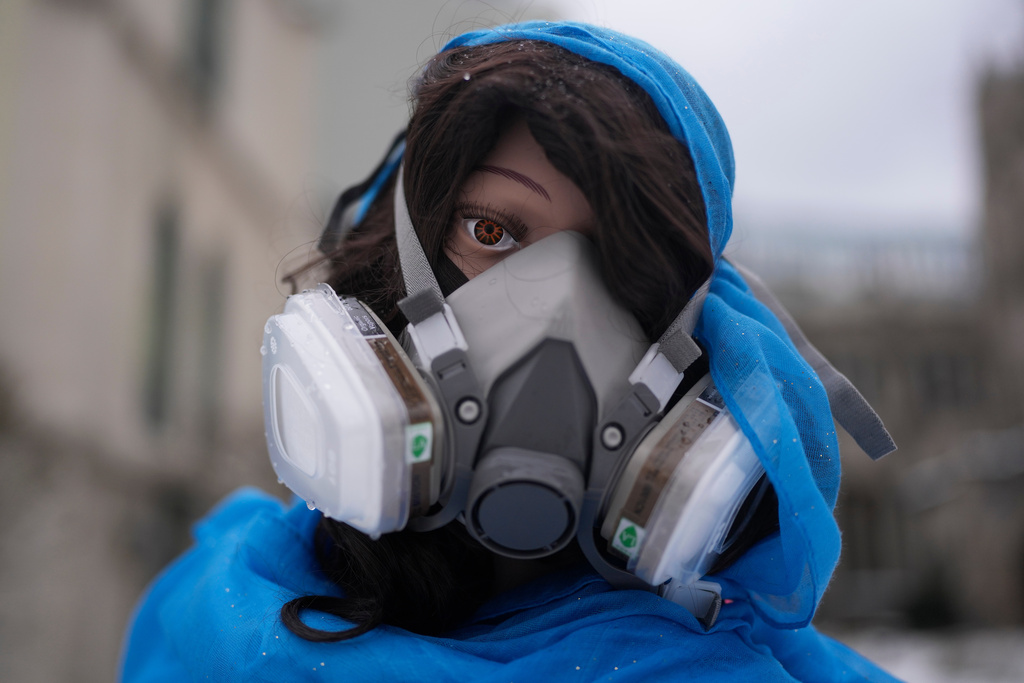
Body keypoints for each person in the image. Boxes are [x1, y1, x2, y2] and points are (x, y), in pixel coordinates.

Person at [120, 21, 899, 682]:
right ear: (397, 266)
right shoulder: (200, 631)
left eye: (622, 270)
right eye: (491, 231)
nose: (557, 308)